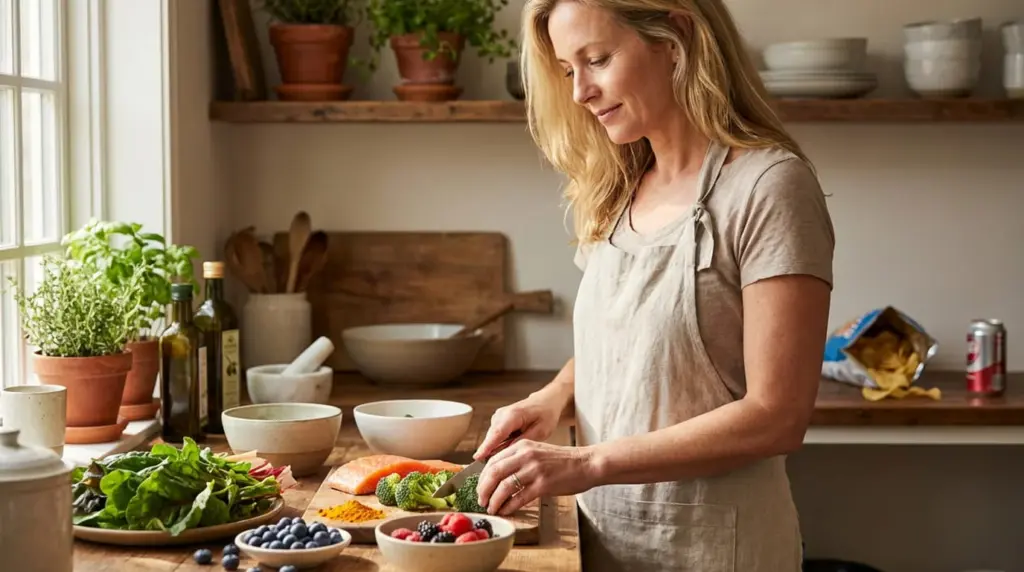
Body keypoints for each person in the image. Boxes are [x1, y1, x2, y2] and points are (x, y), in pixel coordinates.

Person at [471, 0, 835, 570]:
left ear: (676, 39)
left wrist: (587, 463)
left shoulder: (769, 188)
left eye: (597, 59)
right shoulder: (618, 189)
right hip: (601, 540)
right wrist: (554, 398)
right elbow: (628, 348)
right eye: (569, 70)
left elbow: (777, 415)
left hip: (715, 549)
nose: (579, 93)